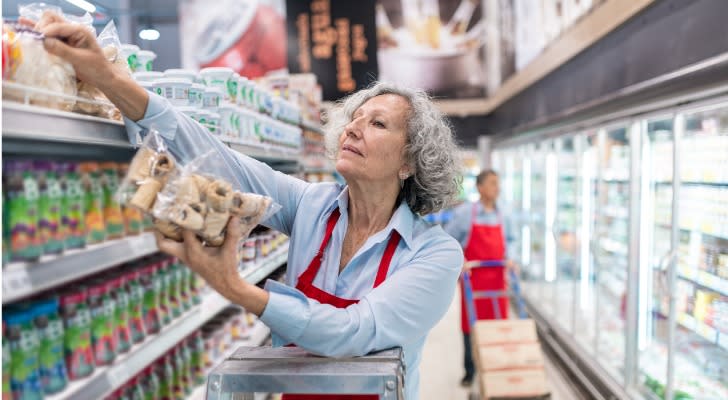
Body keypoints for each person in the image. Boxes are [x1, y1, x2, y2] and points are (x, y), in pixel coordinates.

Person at [33, 14, 465, 400]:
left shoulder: (434, 254)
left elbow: (354, 333)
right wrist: (108, 79)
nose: (353, 127)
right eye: (354, 117)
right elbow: (218, 157)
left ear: (410, 160)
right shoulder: (311, 206)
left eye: (377, 123)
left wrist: (238, 289)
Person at [443, 169, 513, 387]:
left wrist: (512, 259)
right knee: (470, 326)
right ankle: (470, 370)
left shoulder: (504, 214)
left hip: (497, 279)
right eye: (493, 183)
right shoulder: (466, 213)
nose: (497, 188)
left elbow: (512, 240)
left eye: (498, 183)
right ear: (480, 188)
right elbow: (447, 239)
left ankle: (495, 367)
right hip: (474, 280)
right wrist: (460, 261)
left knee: (497, 324)